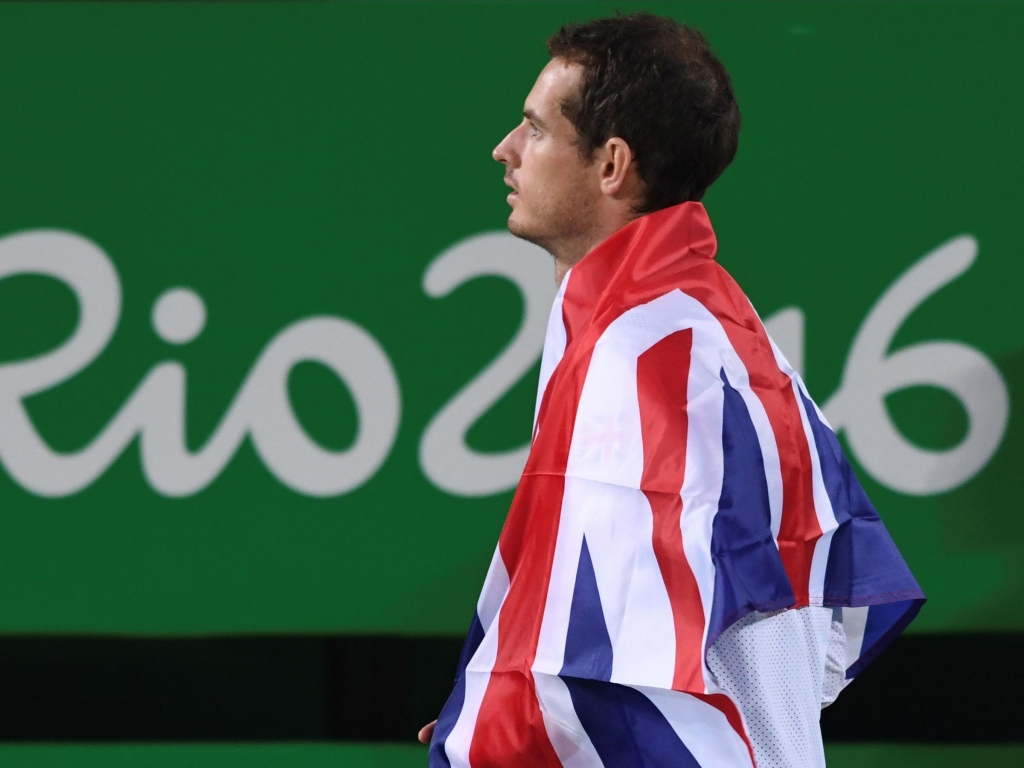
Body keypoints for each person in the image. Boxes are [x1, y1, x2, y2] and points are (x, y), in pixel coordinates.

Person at [420, 13, 924, 767]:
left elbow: (587, 676)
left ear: (612, 164)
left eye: (534, 127)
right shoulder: (714, 320)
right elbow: (822, 626)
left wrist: (485, 735)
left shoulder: (634, 359)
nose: (506, 148)